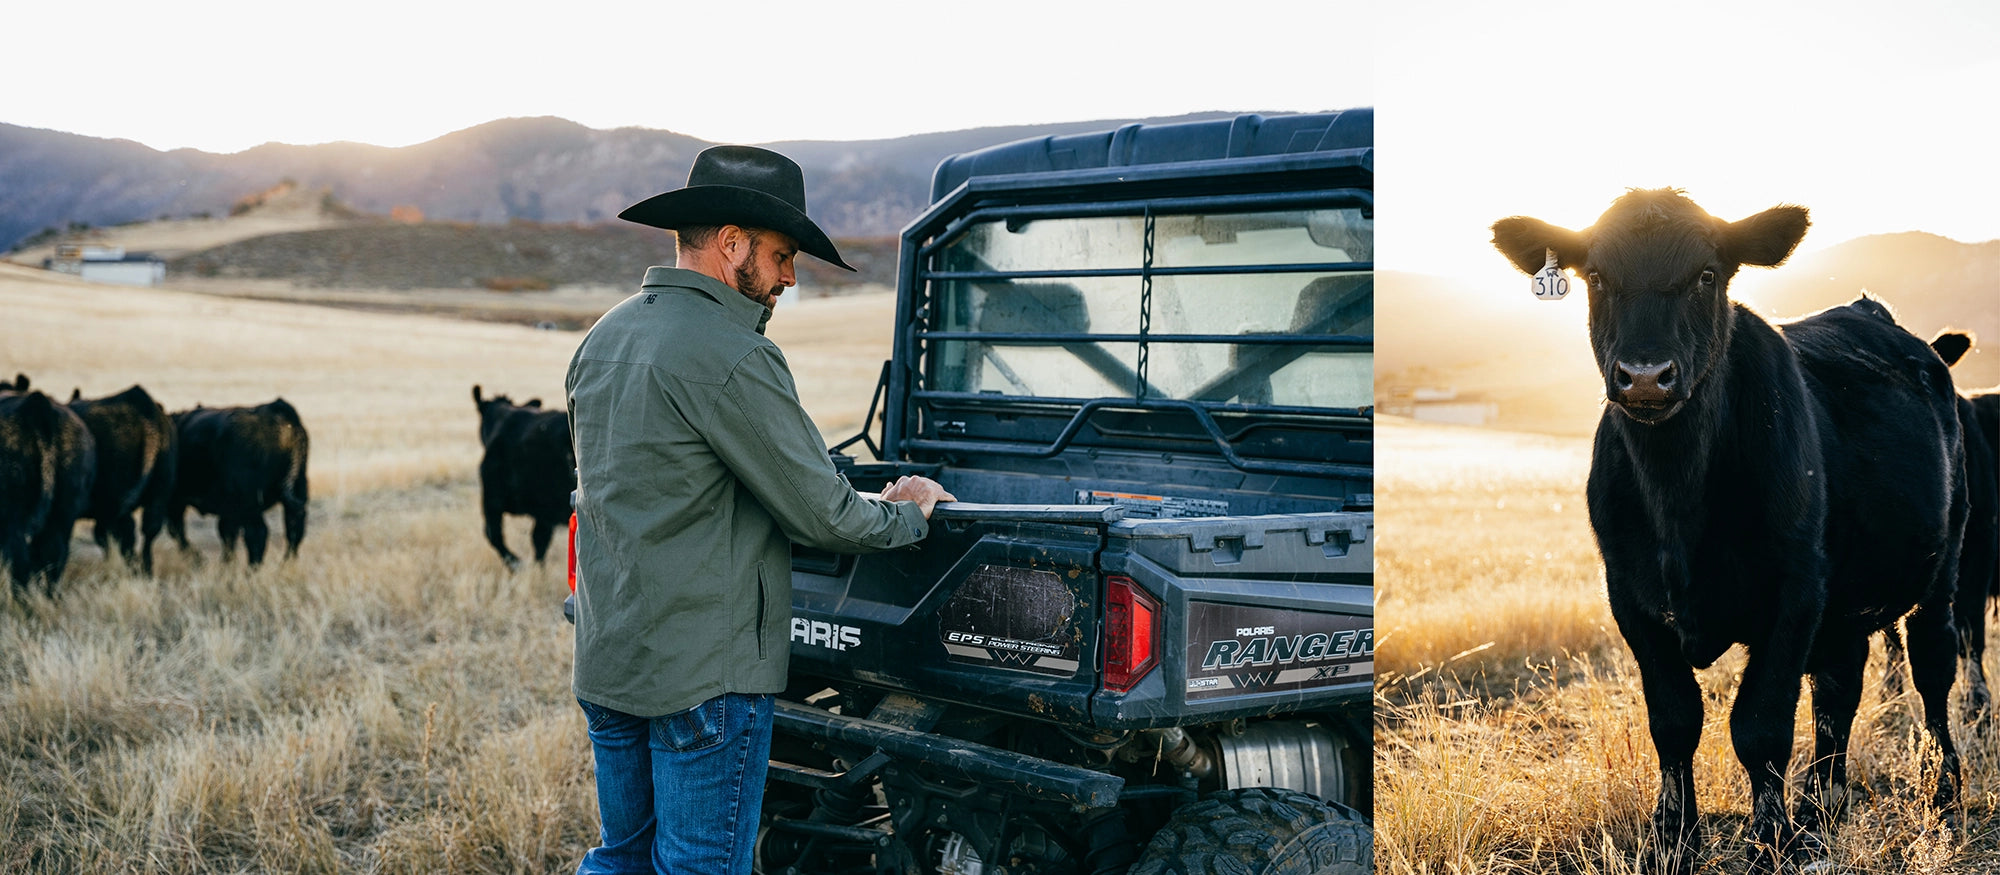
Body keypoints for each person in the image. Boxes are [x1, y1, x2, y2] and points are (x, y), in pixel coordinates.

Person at [565, 144, 954, 875]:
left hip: (609, 659)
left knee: (620, 857)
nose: (788, 277)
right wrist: (911, 511)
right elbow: (825, 514)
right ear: (732, 244)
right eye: (781, 256)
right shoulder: (734, 353)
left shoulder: (603, 336)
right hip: (704, 680)